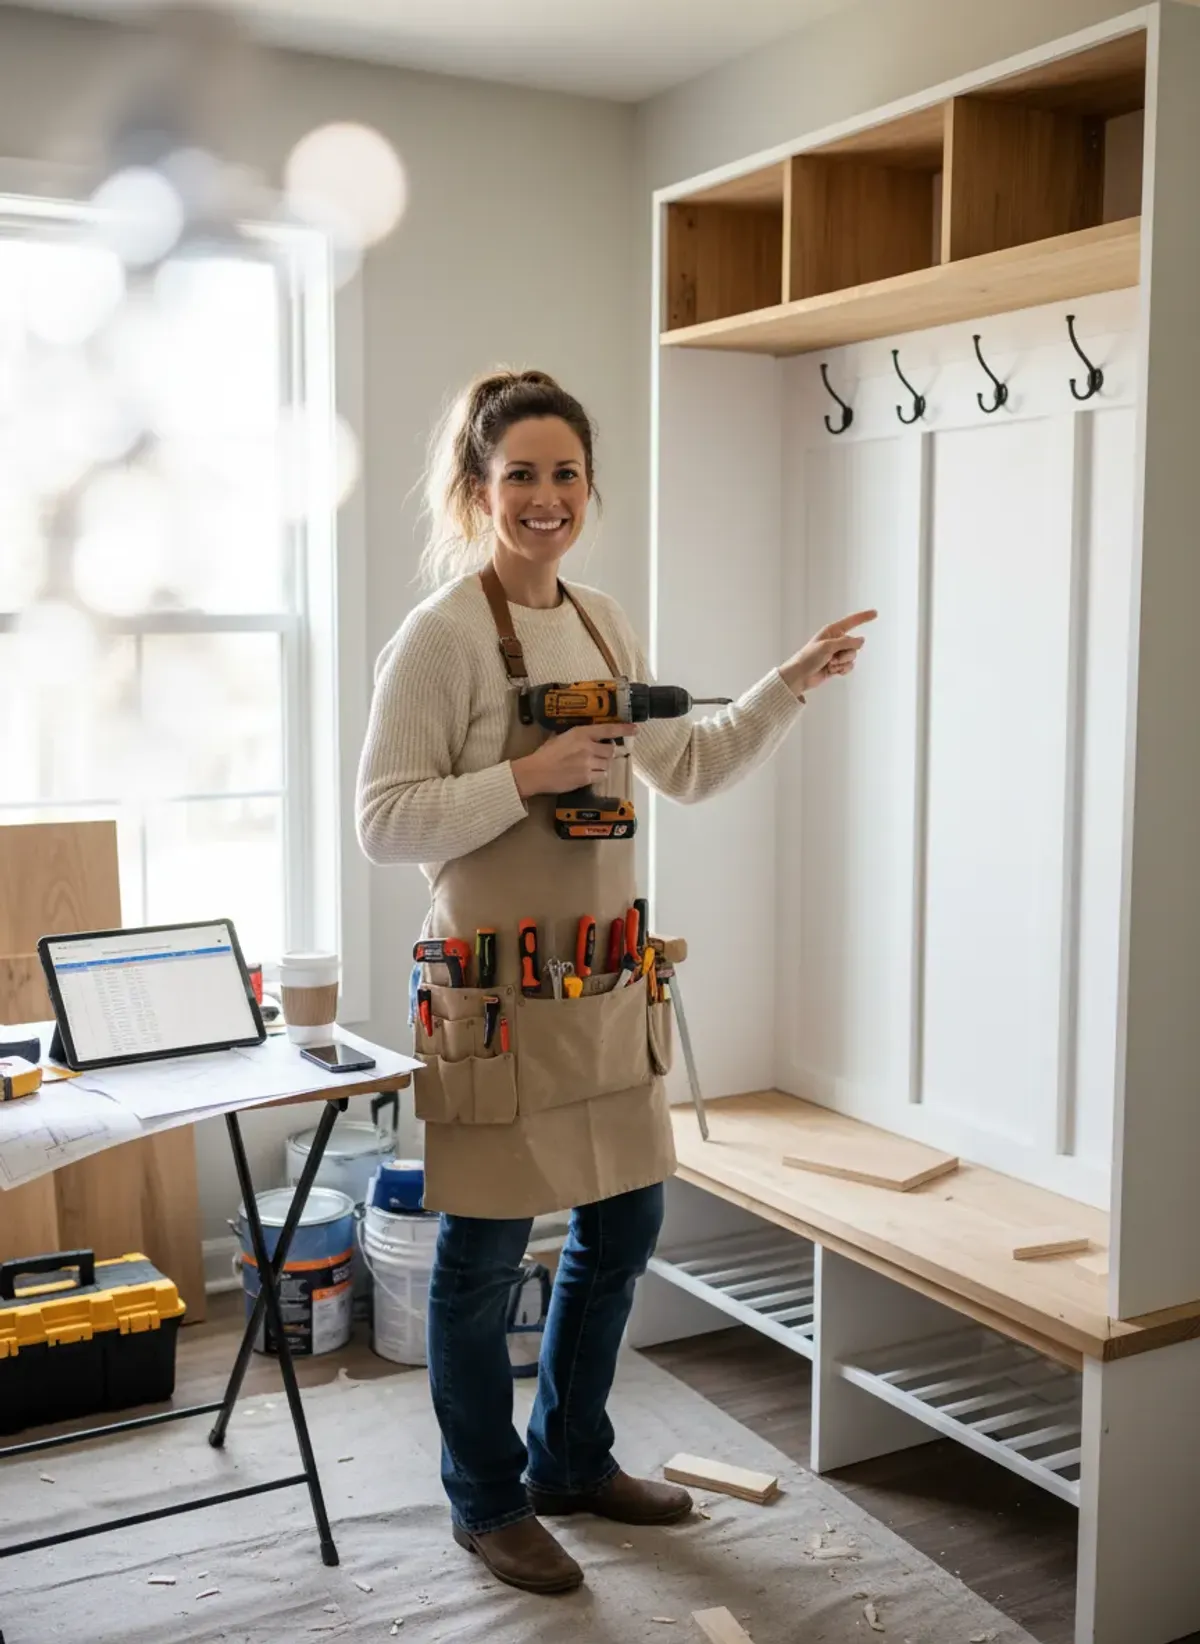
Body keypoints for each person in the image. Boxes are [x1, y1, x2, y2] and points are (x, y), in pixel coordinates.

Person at [355, 367, 874, 1597]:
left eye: (566, 474)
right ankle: (485, 1502)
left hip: (600, 990)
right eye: (521, 475)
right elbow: (384, 823)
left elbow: (684, 767)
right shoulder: (436, 640)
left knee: (625, 1223)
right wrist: (529, 775)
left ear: (590, 486)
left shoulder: (599, 621)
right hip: (493, 1002)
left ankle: (570, 1465)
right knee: (480, 1263)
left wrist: (786, 686)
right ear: (478, 491)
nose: (547, 498)